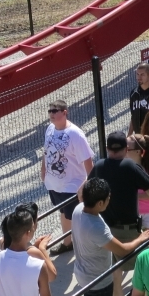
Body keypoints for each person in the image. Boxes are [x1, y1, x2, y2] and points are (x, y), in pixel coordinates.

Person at [86, 133, 149, 296]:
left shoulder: (99, 167)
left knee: (115, 278)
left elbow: (82, 193)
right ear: (125, 149)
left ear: (107, 147)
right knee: (142, 274)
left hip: (104, 230)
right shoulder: (130, 167)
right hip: (130, 231)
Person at [71, 179, 149, 296]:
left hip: (85, 276)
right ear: (100, 203)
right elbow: (122, 250)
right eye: (108, 198)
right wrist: (141, 238)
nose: (109, 200)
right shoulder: (96, 227)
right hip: (99, 282)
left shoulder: (79, 210)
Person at [41, 100, 94, 253]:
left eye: (55, 110)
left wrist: (88, 184)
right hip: (54, 184)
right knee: (64, 214)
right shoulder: (50, 129)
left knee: (77, 218)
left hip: (72, 186)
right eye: (50, 110)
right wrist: (43, 169)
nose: (51, 114)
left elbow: (88, 161)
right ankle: (67, 243)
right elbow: (46, 150)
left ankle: (84, 247)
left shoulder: (75, 134)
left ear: (65, 112)